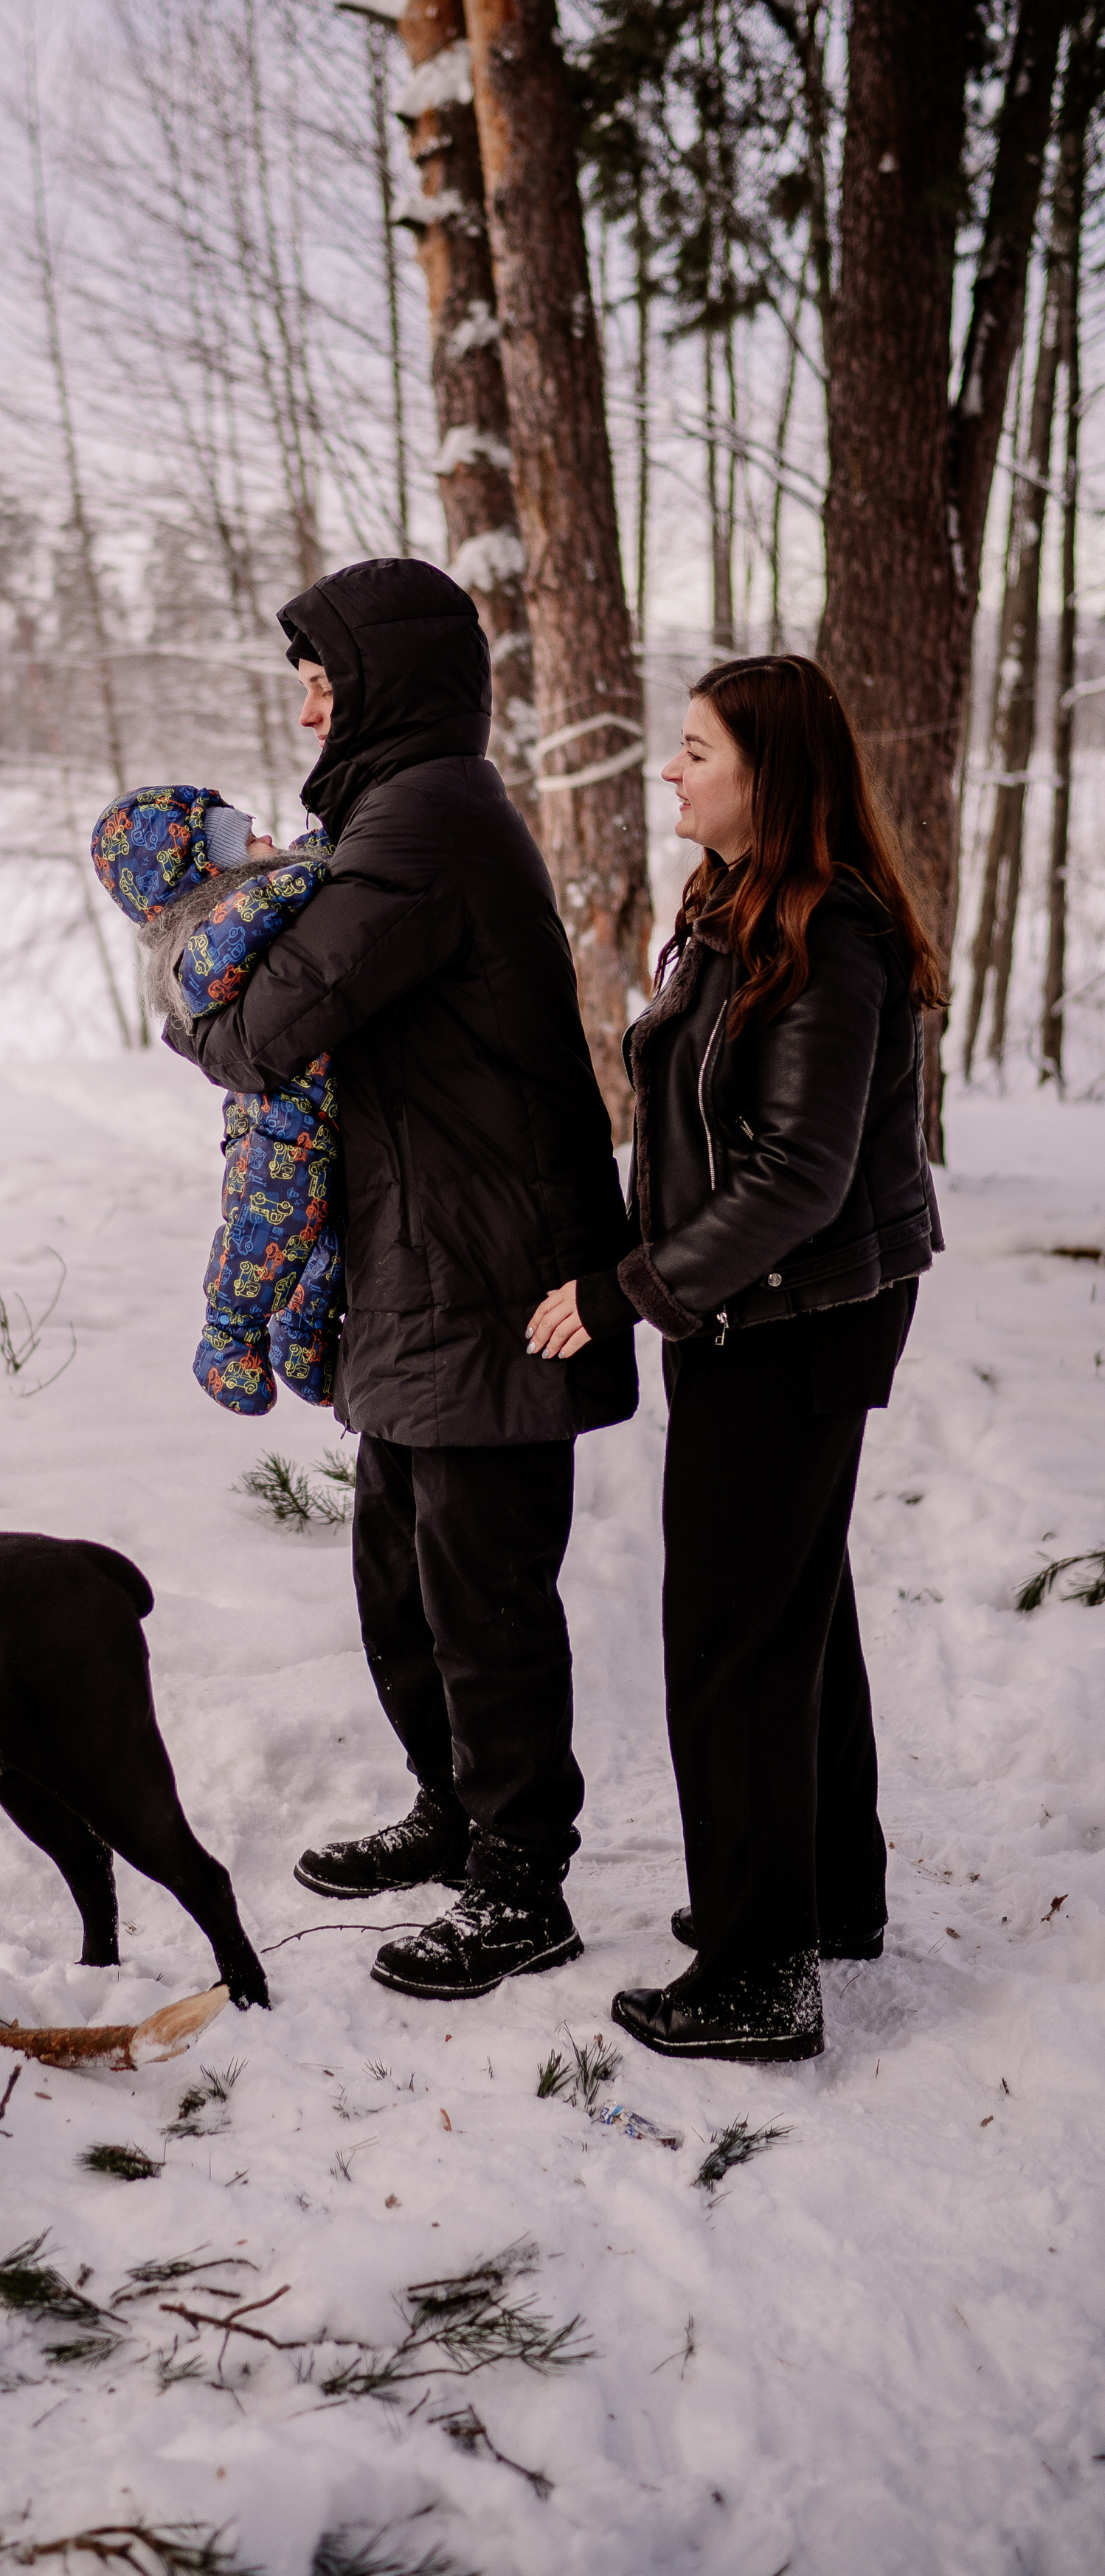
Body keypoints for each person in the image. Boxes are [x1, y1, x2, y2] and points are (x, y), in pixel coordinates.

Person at [173, 556, 637, 2001]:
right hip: (421, 1255)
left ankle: (520, 1884)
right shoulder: (395, 811)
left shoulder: (425, 818)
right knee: (399, 1573)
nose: (305, 695)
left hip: (491, 1268)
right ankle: (453, 1811)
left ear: (382, 680)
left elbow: (263, 1030)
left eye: (322, 670)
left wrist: (190, 978)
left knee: (482, 1592)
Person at [527, 654, 946, 2064]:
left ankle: (761, 1974)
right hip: (760, 1310)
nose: (671, 768)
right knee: (788, 1606)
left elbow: (797, 1177)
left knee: (731, 1640)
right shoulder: (739, 908)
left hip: (795, 1316)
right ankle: (826, 1899)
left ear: (769, 773)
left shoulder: (830, 932)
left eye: (697, 748)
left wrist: (633, 1287)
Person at [91, 784, 342, 1412]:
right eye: (236, 834)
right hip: (278, 1128)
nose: (257, 828)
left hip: (312, 1113)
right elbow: (236, 934)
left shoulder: (242, 898)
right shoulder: (200, 935)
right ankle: (228, 1337)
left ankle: (302, 1336)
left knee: (329, 1239)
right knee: (265, 1233)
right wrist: (307, 871)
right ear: (199, 868)